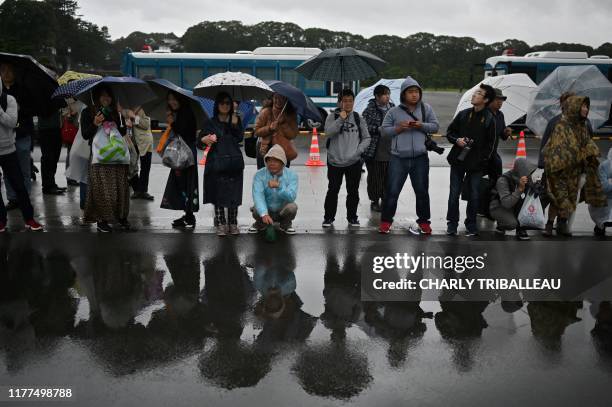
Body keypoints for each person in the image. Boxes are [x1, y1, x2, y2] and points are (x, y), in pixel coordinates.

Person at [378, 76, 439, 234]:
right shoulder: (394, 111)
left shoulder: (426, 109)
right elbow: (384, 131)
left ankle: (424, 221)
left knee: (422, 191)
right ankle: (385, 221)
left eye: (416, 91)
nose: (414, 95)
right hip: (398, 158)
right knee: (392, 191)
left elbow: (435, 127)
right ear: (403, 94)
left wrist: (421, 125)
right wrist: (398, 128)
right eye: (410, 92)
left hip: (420, 158)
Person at [543, 95, 606, 237]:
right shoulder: (561, 125)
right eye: (583, 106)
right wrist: (578, 153)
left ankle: (562, 223)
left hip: (576, 171)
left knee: (570, 198)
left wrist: (590, 154)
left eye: (586, 106)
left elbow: (588, 144)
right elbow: (557, 149)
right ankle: (549, 224)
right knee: (556, 198)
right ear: (575, 107)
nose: (586, 109)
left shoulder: (583, 125)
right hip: (558, 170)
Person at [445, 84, 497, 236]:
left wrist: (482, 161)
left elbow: (492, 145)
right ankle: (452, 223)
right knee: (454, 193)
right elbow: (450, 132)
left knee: (474, 194)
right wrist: (457, 140)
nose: (474, 95)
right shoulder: (463, 114)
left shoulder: (489, 119)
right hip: (458, 160)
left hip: (477, 164)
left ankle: (471, 223)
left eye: (479, 93)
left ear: (486, 99)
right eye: (475, 92)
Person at [80, 86, 131, 233]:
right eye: (102, 96)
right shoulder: (87, 112)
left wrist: (121, 117)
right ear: (96, 97)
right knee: (102, 189)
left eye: (108, 96)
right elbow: (85, 134)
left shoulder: (116, 111)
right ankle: (101, 220)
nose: (106, 99)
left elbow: (122, 132)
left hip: (117, 156)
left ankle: (121, 217)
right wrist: (95, 122)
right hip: (99, 157)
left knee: (120, 187)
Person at [322, 88, 371, 228]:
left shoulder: (358, 118)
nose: (348, 103)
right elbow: (328, 133)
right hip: (335, 161)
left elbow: (367, 138)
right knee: (333, 190)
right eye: (345, 101)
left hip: (353, 162)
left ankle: (352, 217)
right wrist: (341, 119)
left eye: (350, 101)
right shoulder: (332, 117)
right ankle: (328, 218)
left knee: (353, 192)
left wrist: (358, 151)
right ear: (339, 102)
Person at [0, 77, 43, 232]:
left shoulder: (9, 99)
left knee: (19, 184)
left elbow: (12, 122)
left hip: (8, 150)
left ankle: (29, 219)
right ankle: (1, 221)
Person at [200, 92, 244, 237]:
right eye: (222, 103)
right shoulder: (210, 122)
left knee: (234, 193)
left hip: (233, 162)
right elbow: (199, 142)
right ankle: (220, 222)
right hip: (216, 162)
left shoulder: (236, 119)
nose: (225, 105)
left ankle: (233, 223)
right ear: (217, 105)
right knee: (218, 192)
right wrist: (204, 139)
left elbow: (239, 138)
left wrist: (235, 124)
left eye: (228, 103)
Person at [161, 91, 199, 228]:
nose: (172, 102)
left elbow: (183, 132)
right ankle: (188, 215)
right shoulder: (181, 113)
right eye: (169, 99)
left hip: (186, 155)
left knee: (186, 183)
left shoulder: (186, 112)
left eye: (174, 99)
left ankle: (189, 216)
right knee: (182, 183)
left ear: (180, 100)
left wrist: (172, 123)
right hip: (183, 154)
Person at [0, 63, 34, 210]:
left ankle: (24, 197)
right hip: (4, 137)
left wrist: (20, 108)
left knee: (24, 168)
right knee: (8, 170)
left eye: (9, 70)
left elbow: (31, 110)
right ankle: (13, 198)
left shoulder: (23, 90)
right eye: (3, 71)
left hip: (21, 133)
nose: (6, 73)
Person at [249, 144, 298, 235]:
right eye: (269, 160)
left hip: (282, 210)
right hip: (267, 210)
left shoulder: (292, 175)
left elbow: (291, 197)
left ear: (283, 162)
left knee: (292, 207)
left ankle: (285, 224)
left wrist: (279, 187)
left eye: (276, 160)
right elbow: (258, 195)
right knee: (256, 209)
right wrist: (264, 213)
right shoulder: (259, 175)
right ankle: (260, 223)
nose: (272, 163)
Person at [362, 84, 395, 212]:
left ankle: (385, 199)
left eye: (388, 94)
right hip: (374, 149)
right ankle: (374, 200)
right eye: (385, 94)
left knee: (389, 177)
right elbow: (364, 127)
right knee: (375, 177)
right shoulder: (369, 110)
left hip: (390, 148)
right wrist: (378, 129)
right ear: (377, 96)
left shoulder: (393, 109)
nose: (387, 97)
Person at [489, 158, 538, 240]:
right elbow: (506, 203)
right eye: (527, 172)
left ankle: (521, 229)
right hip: (498, 206)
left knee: (531, 213)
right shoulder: (503, 180)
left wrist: (535, 189)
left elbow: (529, 199)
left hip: (514, 205)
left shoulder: (525, 178)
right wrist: (519, 189)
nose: (529, 175)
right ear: (520, 171)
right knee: (511, 224)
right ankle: (501, 224)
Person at [255, 93, 298, 168]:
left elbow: (293, 135)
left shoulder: (290, 114)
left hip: (283, 150)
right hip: (265, 149)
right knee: (265, 176)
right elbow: (257, 131)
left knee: (282, 177)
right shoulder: (266, 112)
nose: (278, 101)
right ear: (272, 99)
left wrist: (284, 124)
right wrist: (269, 128)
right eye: (276, 98)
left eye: (282, 98)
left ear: (286, 100)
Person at [125, 106, 154, 200]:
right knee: (131, 165)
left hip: (144, 142)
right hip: (131, 142)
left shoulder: (141, 108)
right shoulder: (123, 109)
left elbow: (146, 124)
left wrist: (133, 117)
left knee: (145, 167)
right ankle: (137, 189)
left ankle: (143, 191)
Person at [488, 88, 513, 185]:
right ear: (489, 100)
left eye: (501, 99)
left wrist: (506, 132)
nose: (500, 102)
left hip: (494, 155)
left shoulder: (500, 115)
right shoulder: (484, 114)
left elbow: (503, 136)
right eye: (497, 99)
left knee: (497, 182)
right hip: (482, 156)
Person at [588, 147, 611, 236]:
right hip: (604, 199)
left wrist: (609, 182)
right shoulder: (604, 166)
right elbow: (604, 186)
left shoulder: (604, 166)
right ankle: (601, 224)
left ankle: (601, 225)